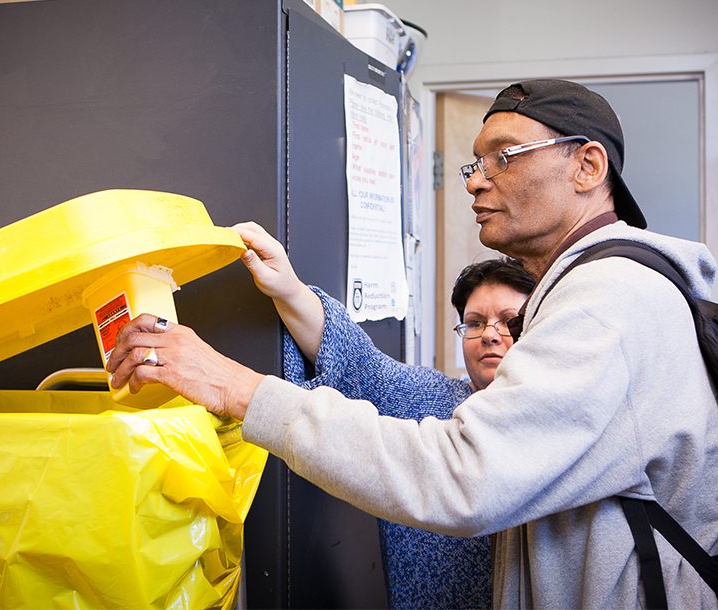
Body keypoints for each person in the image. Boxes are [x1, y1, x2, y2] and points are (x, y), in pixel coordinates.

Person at [107, 79, 718, 608]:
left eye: (504, 156)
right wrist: (292, 292)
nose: (477, 182)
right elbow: (380, 381)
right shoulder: (609, 290)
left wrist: (231, 385)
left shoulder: (609, 300)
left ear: (587, 166)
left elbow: (463, 475)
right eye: (474, 163)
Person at [233, 219, 534, 609]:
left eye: (508, 322)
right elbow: (359, 364)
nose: (490, 334)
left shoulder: (565, 421)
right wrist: (288, 287)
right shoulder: (433, 400)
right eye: (475, 323)